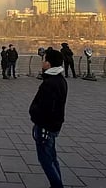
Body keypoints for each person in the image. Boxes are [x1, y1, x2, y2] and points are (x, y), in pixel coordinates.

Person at [29, 49, 68, 188]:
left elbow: (45, 107)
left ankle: (57, 186)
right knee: (52, 157)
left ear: (49, 64)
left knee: (45, 160)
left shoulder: (50, 83)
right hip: (53, 126)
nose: (42, 61)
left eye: (44, 59)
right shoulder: (60, 80)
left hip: (46, 126)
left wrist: (33, 112)